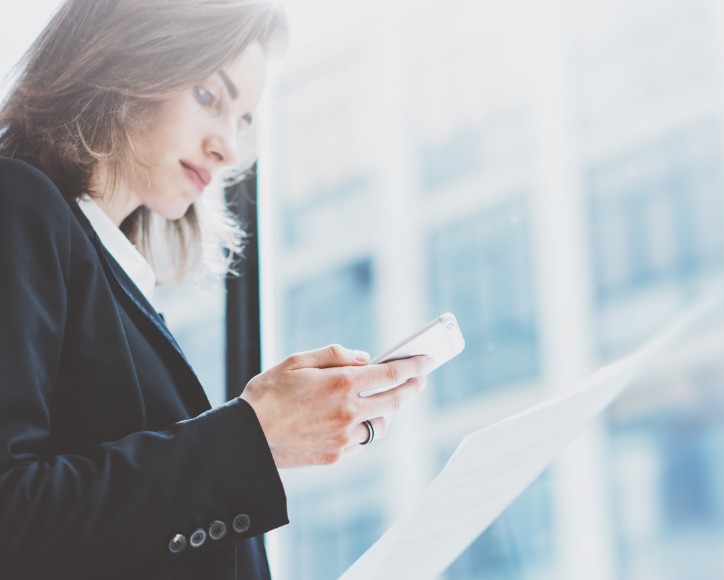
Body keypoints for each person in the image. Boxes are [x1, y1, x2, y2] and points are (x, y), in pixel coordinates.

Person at [0, 1, 432, 578]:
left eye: (244, 120)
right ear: (125, 61)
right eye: (210, 97)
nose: (228, 148)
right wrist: (255, 438)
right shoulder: (18, 205)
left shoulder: (117, 275)